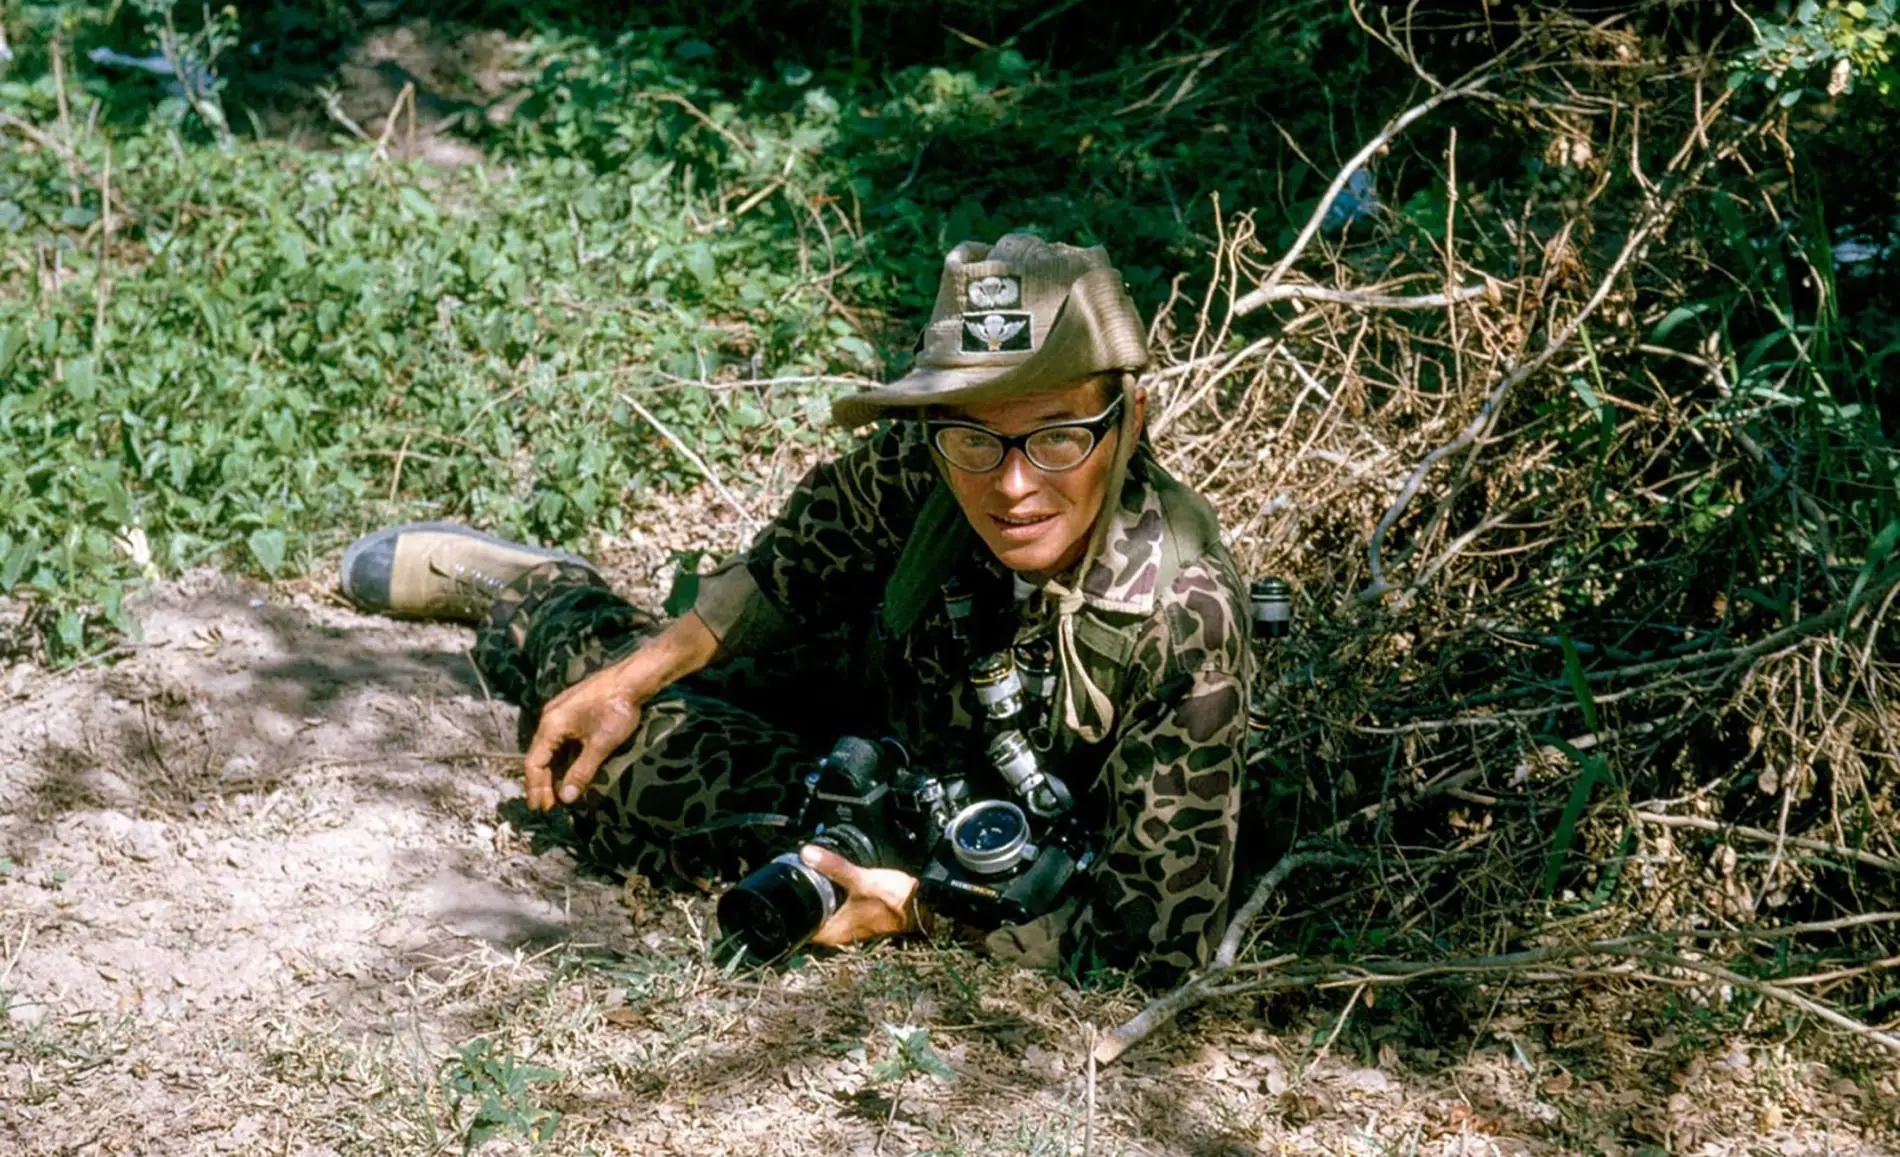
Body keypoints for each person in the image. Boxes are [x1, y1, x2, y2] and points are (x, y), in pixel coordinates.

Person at [339, 235, 1250, 985]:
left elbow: (1147, 947)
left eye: (1057, 437)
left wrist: (910, 910)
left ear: (1129, 418)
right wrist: (630, 677)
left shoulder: (1186, 621)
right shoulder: (924, 460)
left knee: (636, 785)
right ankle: (534, 594)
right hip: (873, 708)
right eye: (975, 436)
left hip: (964, 850)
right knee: (600, 715)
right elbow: (787, 575)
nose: (1013, 485)